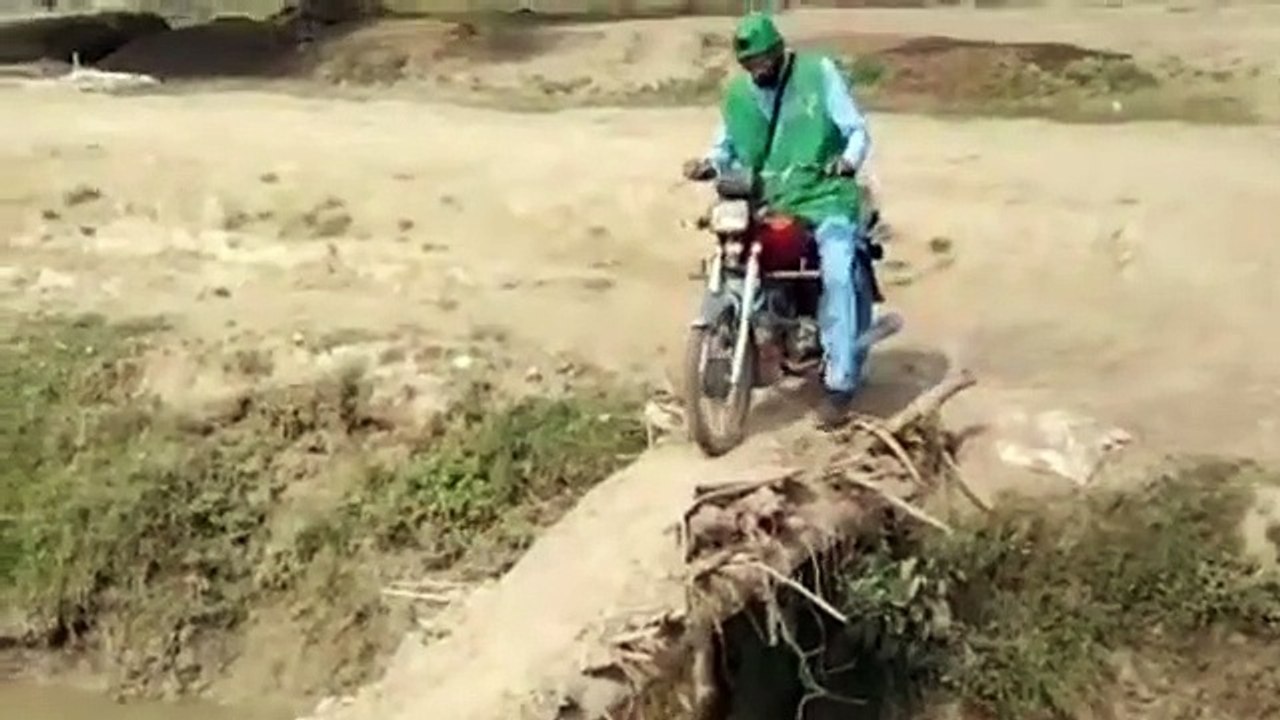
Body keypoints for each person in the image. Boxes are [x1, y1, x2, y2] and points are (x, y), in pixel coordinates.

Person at [683, 12, 875, 429]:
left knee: (837, 271)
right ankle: (751, 341)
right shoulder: (737, 95)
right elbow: (723, 147)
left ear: (778, 50)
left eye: (764, 61)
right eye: (750, 64)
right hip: (768, 201)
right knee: (733, 257)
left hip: (825, 196)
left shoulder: (818, 73)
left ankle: (840, 383)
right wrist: (708, 164)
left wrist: (847, 161)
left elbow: (856, 131)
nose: (758, 70)